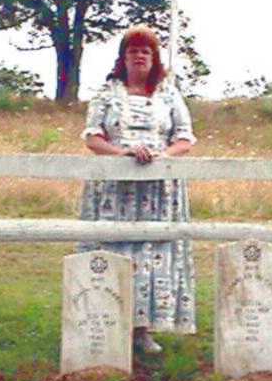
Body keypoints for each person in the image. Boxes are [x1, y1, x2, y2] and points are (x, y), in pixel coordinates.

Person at [78, 25, 197, 353]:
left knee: (152, 256)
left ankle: (143, 330)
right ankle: (104, 324)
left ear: (154, 57)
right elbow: (92, 137)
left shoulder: (168, 94)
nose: (139, 56)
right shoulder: (107, 94)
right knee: (113, 251)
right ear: (123, 57)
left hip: (158, 191)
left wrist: (162, 157)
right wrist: (122, 154)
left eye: (146, 51)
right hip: (113, 191)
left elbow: (185, 137)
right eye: (133, 51)